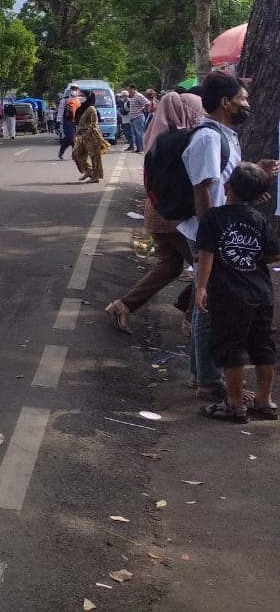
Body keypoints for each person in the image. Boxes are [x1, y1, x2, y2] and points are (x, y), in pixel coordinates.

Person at [178, 73, 280, 402]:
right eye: (243, 99)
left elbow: (226, 181)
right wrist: (215, 235)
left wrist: (255, 174)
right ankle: (208, 379)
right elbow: (203, 189)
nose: (246, 104)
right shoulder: (208, 138)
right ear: (225, 102)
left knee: (205, 301)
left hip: (222, 233)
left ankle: (206, 374)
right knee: (208, 305)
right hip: (213, 236)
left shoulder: (226, 135)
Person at [105, 92, 206, 334]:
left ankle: (123, 305)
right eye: (197, 111)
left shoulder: (156, 133)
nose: (199, 116)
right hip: (174, 218)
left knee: (169, 266)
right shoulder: (180, 139)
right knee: (206, 267)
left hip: (156, 213)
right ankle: (192, 320)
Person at [195, 163, 280, 423]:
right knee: (262, 346)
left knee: (231, 347)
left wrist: (201, 287)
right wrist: (254, 258)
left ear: (227, 186)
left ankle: (233, 405)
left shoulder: (213, 217)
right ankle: (264, 402)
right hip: (261, 293)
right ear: (257, 196)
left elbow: (206, 254)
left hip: (230, 296)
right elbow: (274, 253)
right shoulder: (259, 219)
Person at [71, 91, 109, 183]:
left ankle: (95, 177)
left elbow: (94, 124)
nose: (80, 97)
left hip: (91, 135)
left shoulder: (91, 108)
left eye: (82, 95)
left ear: (88, 97)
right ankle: (88, 171)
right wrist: (76, 135)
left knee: (94, 156)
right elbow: (77, 123)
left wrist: (86, 134)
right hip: (81, 136)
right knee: (76, 154)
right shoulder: (80, 109)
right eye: (79, 95)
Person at [57, 85, 81, 160]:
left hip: (77, 121)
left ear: (78, 90)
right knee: (72, 137)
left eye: (75, 89)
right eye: (73, 89)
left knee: (70, 138)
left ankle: (61, 151)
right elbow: (60, 111)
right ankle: (74, 154)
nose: (74, 90)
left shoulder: (80, 100)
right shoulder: (64, 100)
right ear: (70, 90)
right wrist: (58, 120)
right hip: (68, 121)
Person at [125, 84, 150, 151]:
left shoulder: (139, 96)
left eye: (129, 90)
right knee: (135, 133)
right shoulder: (132, 97)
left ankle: (142, 147)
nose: (128, 91)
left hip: (138, 116)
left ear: (133, 89)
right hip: (132, 117)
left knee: (139, 133)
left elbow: (147, 103)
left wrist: (143, 109)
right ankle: (138, 148)